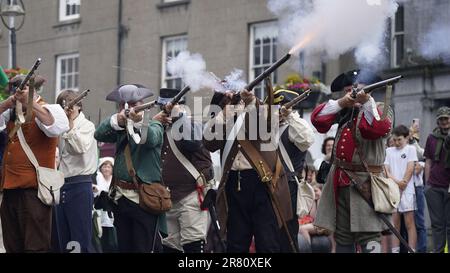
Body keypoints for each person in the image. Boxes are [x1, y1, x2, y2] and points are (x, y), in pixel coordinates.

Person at [310, 69, 393, 253]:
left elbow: (375, 128)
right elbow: (317, 120)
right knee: (342, 238)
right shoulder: (344, 112)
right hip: (339, 185)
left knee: (370, 238)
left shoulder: (380, 109)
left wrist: (366, 102)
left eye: (357, 90)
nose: (353, 95)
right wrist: (342, 102)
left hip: (366, 184)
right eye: (349, 91)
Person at [203, 89, 293, 253]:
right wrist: (226, 110)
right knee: (236, 243)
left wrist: (250, 101)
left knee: (267, 242)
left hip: (261, 182)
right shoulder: (225, 118)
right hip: (233, 182)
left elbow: (266, 127)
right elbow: (209, 142)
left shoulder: (261, 110)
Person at [94, 84, 167, 252]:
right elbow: (99, 134)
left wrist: (139, 121)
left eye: (135, 103)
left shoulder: (154, 125)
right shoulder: (120, 128)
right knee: (125, 247)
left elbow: (152, 139)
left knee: (143, 248)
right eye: (125, 104)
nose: (130, 107)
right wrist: (117, 120)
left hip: (143, 197)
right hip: (120, 197)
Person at [0, 75, 69, 252]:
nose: (16, 92)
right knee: (12, 246)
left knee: (36, 246)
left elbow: (56, 127)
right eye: (14, 89)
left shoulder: (49, 109)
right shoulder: (11, 113)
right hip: (9, 189)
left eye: (19, 89)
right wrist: (8, 103)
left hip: (34, 190)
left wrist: (31, 102)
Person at [159, 88, 214, 253]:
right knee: (169, 244)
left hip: (190, 194)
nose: (165, 111)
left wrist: (180, 119)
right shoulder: (158, 128)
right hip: (167, 196)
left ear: (181, 106)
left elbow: (197, 149)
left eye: (168, 107)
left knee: (193, 242)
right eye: (163, 108)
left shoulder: (192, 125)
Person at [268, 89, 315, 252]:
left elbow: (307, 139)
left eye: (279, 106)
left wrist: (289, 115)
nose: (276, 111)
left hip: (288, 187)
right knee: (269, 235)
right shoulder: (267, 129)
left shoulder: (295, 126)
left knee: (287, 234)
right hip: (268, 186)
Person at [52, 89, 98, 253]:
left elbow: (80, 148)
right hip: (61, 184)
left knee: (79, 240)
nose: (67, 110)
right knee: (62, 239)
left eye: (70, 106)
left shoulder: (87, 126)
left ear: (79, 106)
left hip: (80, 184)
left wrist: (71, 124)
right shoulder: (61, 127)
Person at [384, 125, 417, 253]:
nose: (397, 142)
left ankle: (412, 249)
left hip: (407, 191)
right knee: (395, 224)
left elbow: (410, 168)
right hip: (393, 190)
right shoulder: (388, 151)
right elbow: (387, 171)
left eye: (399, 140)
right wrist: (398, 183)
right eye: (395, 140)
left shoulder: (411, 149)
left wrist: (403, 183)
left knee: (409, 223)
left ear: (406, 138)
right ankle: (395, 250)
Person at [423, 106, 450, 253]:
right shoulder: (431, 138)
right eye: (441, 119)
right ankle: (439, 250)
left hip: (449, 186)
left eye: (446, 118)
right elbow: (428, 161)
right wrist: (427, 185)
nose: (444, 122)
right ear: (438, 122)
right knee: (437, 224)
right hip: (434, 186)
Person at [92, 157, 118, 253]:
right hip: (100, 214)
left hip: (113, 214)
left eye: (109, 167)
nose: (106, 169)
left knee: (113, 241)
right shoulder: (96, 179)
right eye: (104, 166)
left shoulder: (115, 180)